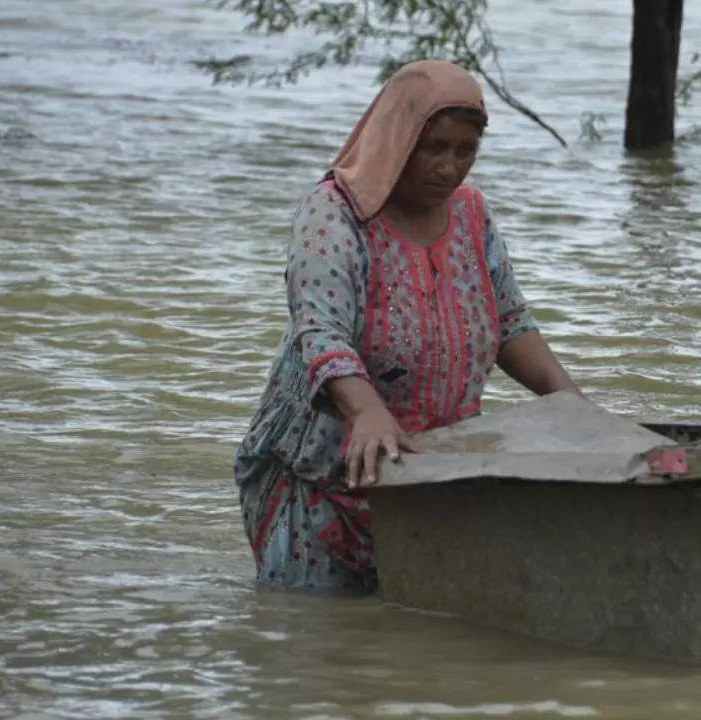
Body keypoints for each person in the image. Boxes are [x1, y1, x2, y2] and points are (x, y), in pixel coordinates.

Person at [234, 60, 579, 591]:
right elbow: (321, 333)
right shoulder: (335, 213)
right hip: (320, 478)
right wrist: (367, 412)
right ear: (398, 138)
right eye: (433, 148)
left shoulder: (471, 214)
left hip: (428, 480)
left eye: (466, 150)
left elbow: (509, 320)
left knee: (415, 636)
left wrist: (571, 404)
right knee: (315, 643)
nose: (450, 167)